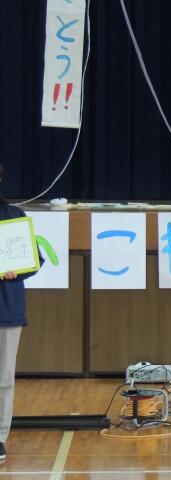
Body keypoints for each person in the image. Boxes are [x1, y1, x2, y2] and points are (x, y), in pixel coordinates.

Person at [0, 163, 43, 464]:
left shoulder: (15, 216)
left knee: (3, 379)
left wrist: (19, 269)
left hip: (6, 309)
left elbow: (34, 260)